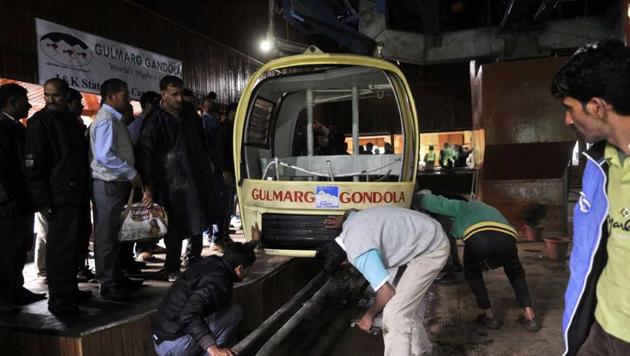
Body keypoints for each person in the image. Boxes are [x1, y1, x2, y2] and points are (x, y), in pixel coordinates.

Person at [551, 39, 630, 356]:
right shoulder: (601, 164)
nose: (568, 120)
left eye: (570, 108)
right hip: (602, 327)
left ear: (597, 106)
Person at [316, 206, 449, 356]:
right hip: (424, 233)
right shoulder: (349, 225)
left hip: (432, 249)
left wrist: (368, 316)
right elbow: (351, 211)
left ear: (344, 263)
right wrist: (343, 219)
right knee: (404, 305)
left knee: (395, 314)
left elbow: (387, 292)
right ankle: (425, 351)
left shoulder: (359, 254)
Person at [414, 191, 540, 332]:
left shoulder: (464, 206)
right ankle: (530, 315)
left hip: (478, 237)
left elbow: (437, 203)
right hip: (508, 238)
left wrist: (416, 196)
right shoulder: (491, 209)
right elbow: (497, 236)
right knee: (516, 273)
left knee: (473, 273)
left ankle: (489, 316)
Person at [140, 76, 225, 282]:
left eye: (180, 93)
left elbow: (201, 141)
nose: (179, 98)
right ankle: (171, 267)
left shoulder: (189, 113)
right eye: (174, 94)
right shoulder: (154, 119)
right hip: (168, 182)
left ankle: (194, 258)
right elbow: (147, 154)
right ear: (163, 94)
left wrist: (208, 163)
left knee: (197, 216)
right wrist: (148, 186)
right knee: (174, 227)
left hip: (193, 177)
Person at [24, 78, 91, 315]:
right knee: (61, 251)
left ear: (66, 96)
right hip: (57, 197)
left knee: (77, 246)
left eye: (56, 95)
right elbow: (33, 167)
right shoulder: (39, 123)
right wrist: (42, 201)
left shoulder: (71, 121)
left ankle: (70, 290)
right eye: (47, 95)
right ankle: (60, 300)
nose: (51, 100)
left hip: (77, 194)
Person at [152, 234, 258, 356]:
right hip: (173, 345)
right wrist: (213, 349)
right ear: (239, 269)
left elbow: (238, 251)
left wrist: (254, 242)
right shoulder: (216, 283)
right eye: (248, 269)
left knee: (229, 333)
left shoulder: (214, 262)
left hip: (164, 337)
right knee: (234, 311)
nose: (249, 273)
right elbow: (189, 315)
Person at [89, 78, 144, 301]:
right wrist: (131, 172)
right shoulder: (106, 120)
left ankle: (115, 275)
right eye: (124, 95)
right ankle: (108, 283)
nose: (128, 98)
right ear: (111, 96)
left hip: (114, 183)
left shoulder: (113, 119)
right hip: (108, 183)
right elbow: (104, 155)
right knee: (106, 235)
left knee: (114, 234)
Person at [0, 83, 46, 311]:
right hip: (10, 202)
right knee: (9, 247)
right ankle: (8, 293)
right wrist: (7, 200)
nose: (28, 105)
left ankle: (15, 288)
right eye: (24, 101)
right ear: (11, 102)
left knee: (19, 247)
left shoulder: (16, 128)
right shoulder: (2, 129)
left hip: (21, 199)